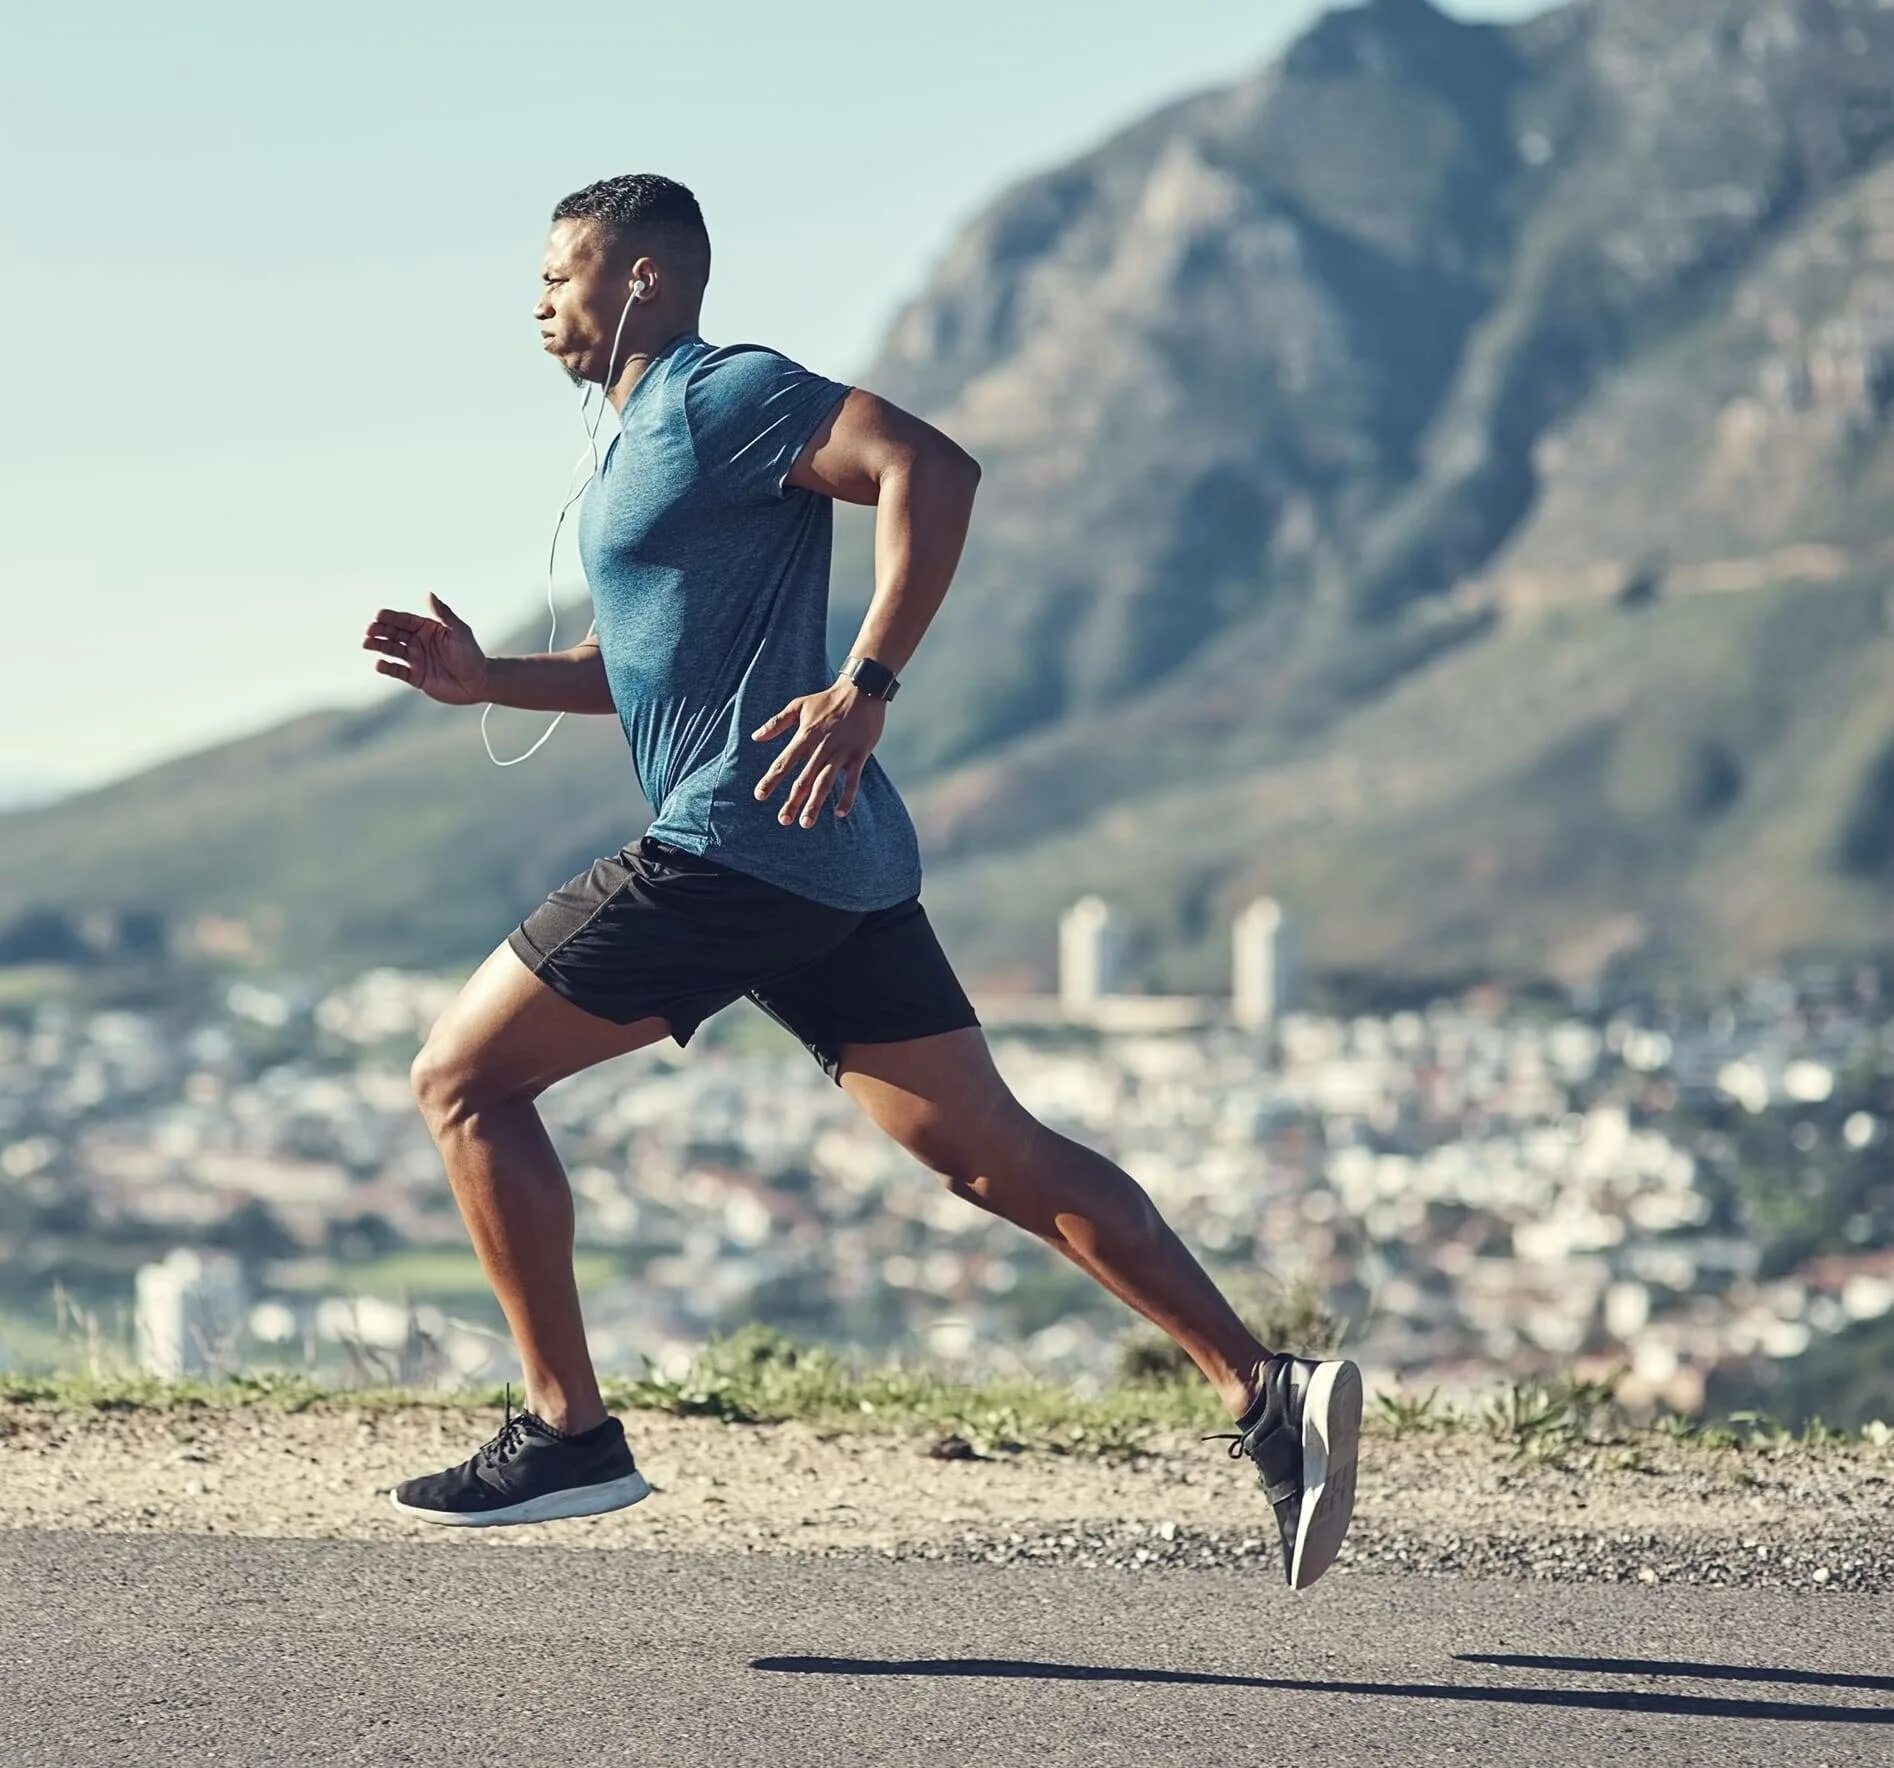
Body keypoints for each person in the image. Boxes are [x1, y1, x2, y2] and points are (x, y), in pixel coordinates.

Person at [363, 172, 1360, 1591]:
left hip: (736, 843)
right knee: (985, 1151)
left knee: (462, 1080)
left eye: (556, 277)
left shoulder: (723, 394)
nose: (537, 307)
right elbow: (631, 669)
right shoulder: (648, 441)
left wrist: (865, 682)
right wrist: (485, 679)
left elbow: (931, 467)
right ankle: (1266, 1395)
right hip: (824, 859)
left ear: (641, 278)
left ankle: (566, 1430)